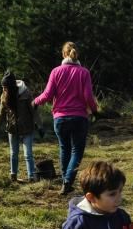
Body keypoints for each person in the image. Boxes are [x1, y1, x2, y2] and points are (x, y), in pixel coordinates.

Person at [33, 42, 98, 195]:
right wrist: (95, 110)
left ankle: (65, 181)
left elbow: (47, 95)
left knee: (64, 148)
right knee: (77, 151)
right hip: (79, 117)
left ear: (63, 54)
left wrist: (34, 101)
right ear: (77, 54)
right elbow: (88, 96)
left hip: (60, 118)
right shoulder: (84, 73)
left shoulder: (56, 72)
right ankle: (68, 181)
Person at [0, 71, 41, 182]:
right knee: (13, 153)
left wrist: (40, 126)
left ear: (11, 86)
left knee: (28, 154)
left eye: (5, 87)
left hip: (27, 128)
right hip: (12, 128)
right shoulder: (4, 96)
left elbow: (34, 111)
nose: (3, 90)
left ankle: (31, 176)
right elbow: (0, 114)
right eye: (2, 87)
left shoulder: (26, 94)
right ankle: (13, 175)